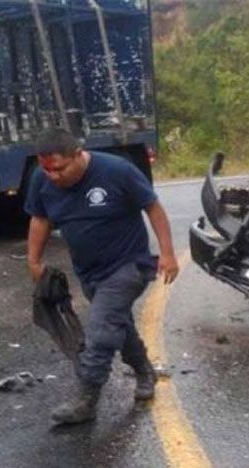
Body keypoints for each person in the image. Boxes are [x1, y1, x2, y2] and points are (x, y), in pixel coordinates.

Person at [24, 128, 178, 425]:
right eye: (46, 169)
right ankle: (144, 370)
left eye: (59, 169)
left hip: (128, 266)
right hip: (89, 272)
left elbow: (153, 207)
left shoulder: (117, 171)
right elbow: (40, 219)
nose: (53, 176)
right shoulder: (41, 179)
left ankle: (87, 398)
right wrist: (33, 260)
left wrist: (168, 254)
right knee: (118, 323)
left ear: (78, 155)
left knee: (102, 330)